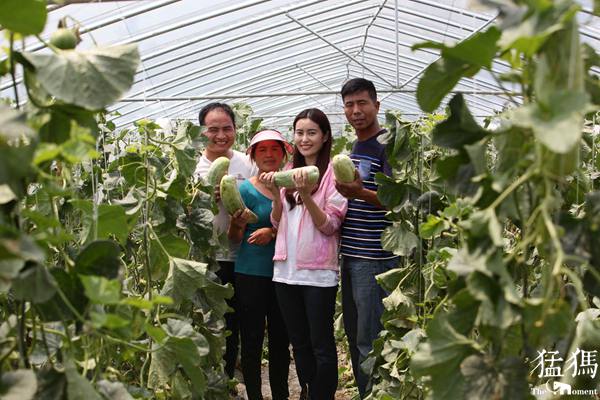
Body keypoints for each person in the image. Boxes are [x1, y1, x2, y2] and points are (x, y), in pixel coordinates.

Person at [260, 109, 347, 400]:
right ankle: (309, 390)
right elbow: (276, 223)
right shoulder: (289, 171)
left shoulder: (333, 174)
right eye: (299, 133)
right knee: (298, 343)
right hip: (285, 272)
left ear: (324, 136)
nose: (304, 139)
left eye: (312, 132)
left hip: (318, 273)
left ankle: (323, 395)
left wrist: (307, 194)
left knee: (321, 343)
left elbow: (330, 225)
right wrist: (275, 194)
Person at [334, 78, 399, 398]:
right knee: (355, 333)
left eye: (362, 103)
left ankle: (375, 394)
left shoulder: (388, 146)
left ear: (377, 105)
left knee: (370, 338)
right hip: (351, 254)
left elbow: (397, 200)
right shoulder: (354, 149)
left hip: (375, 256)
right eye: (349, 105)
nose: (356, 111)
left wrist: (360, 192)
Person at [193, 102, 256, 381]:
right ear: (202, 132)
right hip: (208, 257)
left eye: (227, 128)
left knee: (239, 324)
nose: (221, 135)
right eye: (213, 129)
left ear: (235, 129)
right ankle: (213, 380)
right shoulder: (192, 167)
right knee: (212, 324)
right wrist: (203, 198)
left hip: (245, 255)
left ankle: (231, 379)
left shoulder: (247, 163)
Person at [228, 130, 292, 400]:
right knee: (251, 339)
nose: (269, 155)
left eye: (275, 149)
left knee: (280, 340)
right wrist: (237, 223)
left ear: (283, 154)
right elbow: (235, 238)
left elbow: (301, 226)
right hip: (250, 273)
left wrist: (272, 232)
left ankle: (281, 395)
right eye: (262, 150)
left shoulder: (292, 187)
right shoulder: (243, 190)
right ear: (253, 156)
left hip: (285, 274)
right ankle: (254, 395)